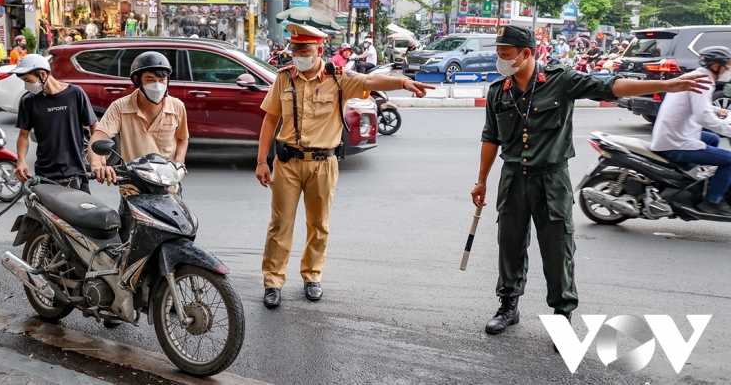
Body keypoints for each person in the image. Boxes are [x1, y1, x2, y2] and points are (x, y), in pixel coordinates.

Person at [470, 25, 709, 341]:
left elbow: (611, 86)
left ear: (525, 53)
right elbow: (491, 137)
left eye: (505, 54)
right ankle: (508, 306)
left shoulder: (561, 80)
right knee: (510, 244)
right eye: (499, 54)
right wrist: (481, 181)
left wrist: (668, 85)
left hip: (551, 179)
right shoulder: (498, 91)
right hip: (512, 179)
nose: (500, 60)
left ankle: (562, 315)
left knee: (557, 247)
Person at [254, 23, 435, 308]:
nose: (300, 53)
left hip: (324, 164)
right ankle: (273, 282)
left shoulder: (338, 78)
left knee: (319, 225)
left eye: (306, 48)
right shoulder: (285, 79)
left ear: (319, 49)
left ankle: (312, 277)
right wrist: (262, 160)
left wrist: (403, 83)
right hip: (287, 163)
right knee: (280, 224)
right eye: (296, 49)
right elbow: (269, 119)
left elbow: (370, 82)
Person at [88, 52, 189, 237]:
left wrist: (179, 162)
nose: (157, 84)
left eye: (162, 78)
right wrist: (98, 166)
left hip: (169, 189)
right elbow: (98, 138)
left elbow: (182, 138)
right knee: (129, 244)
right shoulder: (120, 107)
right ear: (137, 80)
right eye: (150, 79)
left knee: (177, 238)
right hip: (133, 190)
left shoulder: (177, 107)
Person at [651, 47, 731, 215]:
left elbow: (699, 106)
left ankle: (693, 180)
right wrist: (728, 130)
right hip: (675, 142)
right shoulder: (703, 81)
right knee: (729, 161)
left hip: (674, 133)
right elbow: (703, 117)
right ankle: (712, 201)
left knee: (713, 140)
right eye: (728, 65)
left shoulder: (696, 76)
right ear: (716, 66)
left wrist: (718, 111)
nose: (729, 69)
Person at [14, 54, 98, 193]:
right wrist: (21, 161)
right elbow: (23, 135)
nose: (26, 86)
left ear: (42, 74)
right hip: (45, 175)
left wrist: (98, 159)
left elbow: (94, 126)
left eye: (28, 80)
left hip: (76, 172)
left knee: (86, 212)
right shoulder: (28, 101)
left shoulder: (75, 93)